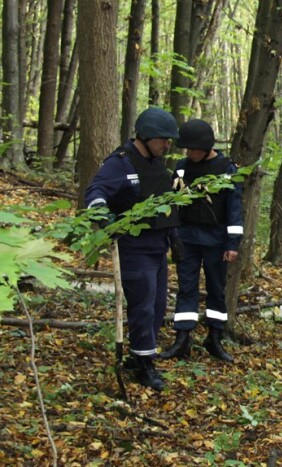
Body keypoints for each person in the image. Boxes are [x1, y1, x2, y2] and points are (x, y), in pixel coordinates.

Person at [85, 107, 181, 391]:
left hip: (158, 247)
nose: (167, 145)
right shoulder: (121, 163)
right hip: (134, 249)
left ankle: (140, 353)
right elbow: (96, 191)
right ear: (146, 136)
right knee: (143, 308)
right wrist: (102, 216)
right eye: (163, 139)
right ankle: (144, 365)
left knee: (158, 306)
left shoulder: (156, 164)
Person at [160, 119, 243, 362]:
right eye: (186, 149)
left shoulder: (226, 168)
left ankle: (214, 338)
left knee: (216, 291)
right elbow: (172, 203)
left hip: (216, 241)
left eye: (193, 149)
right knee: (186, 289)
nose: (188, 153)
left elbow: (234, 207)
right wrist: (172, 234)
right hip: (187, 239)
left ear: (206, 147)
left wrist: (232, 243)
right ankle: (182, 339)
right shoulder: (182, 167)